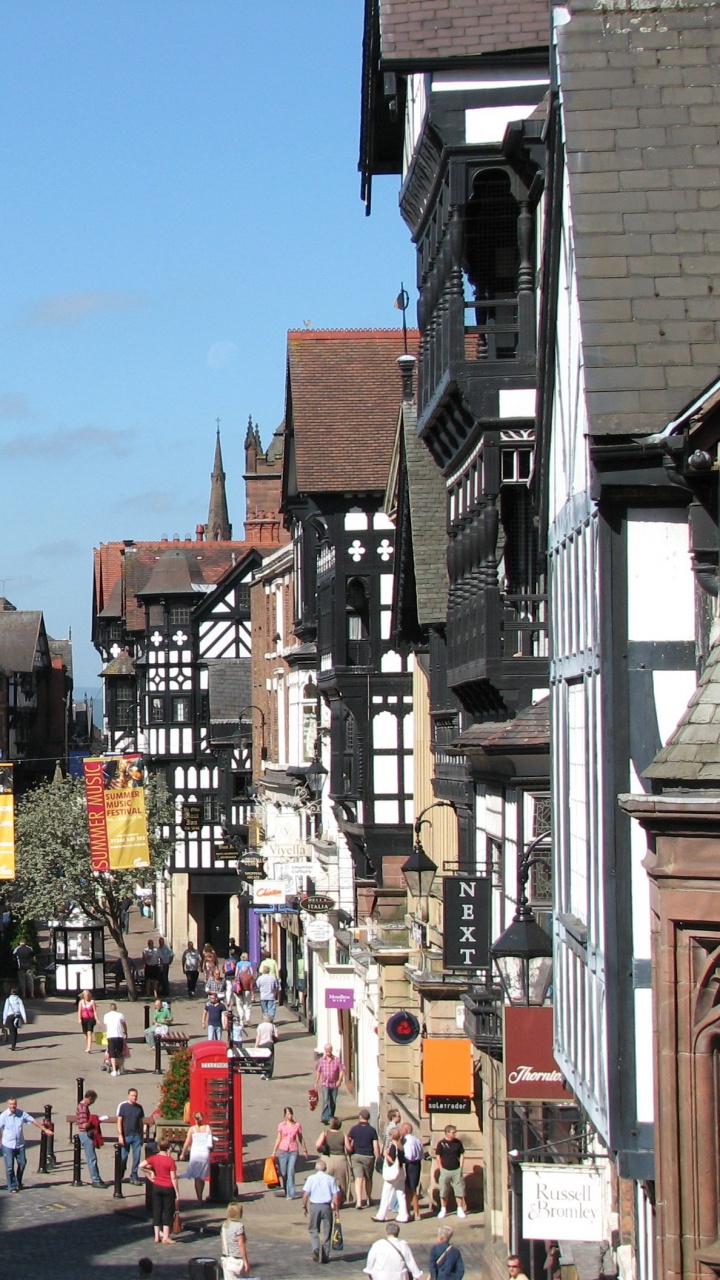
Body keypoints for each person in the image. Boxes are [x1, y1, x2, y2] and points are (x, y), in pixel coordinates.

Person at [0, 1097, 53, 1192]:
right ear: (8, 1105)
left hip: (20, 1144)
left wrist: (44, 1129)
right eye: (11, 1104)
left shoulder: (21, 1113)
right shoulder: (3, 1116)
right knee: (9, 1167)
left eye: (14, 1104)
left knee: (23, 1163)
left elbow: (33, 1121)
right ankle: (12, 1186)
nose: (13, 1106)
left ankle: (18, 1181)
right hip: (8, 1145)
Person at [139, 1139, 180, 1246]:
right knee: (167, 1211)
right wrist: (177, 1193)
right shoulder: (170, 1161)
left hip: (157, 1186)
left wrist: (150, 1173)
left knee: (157, 1211)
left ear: (158, 1148)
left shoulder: (154, 1158)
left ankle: (157, 1236)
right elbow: (173, 1178)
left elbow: (141, 1165)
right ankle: (166, 1237)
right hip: (168, 1188)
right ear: (168, 1148)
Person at [302, 1158, 341, 1264]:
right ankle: (325, 1256)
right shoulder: (330, 1179)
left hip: (314, 1206)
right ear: (325, 1168)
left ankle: (316, 1248)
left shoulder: (311, 1178)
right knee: (327, 1231)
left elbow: (305, 1195)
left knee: (313, 1229)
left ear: (315, 1168)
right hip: (327, 1207)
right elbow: (336, 1195)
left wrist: (304, 1206)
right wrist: (336, 1209)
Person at [271, 1105, 309, 1200]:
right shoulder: (281, 1125)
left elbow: (300, 1138)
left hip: (293, 1150)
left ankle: (290, 1194)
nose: (290, 1116)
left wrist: (305, 1150)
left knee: (290, 1171)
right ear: (285, 1115)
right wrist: (274, 1151)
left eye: (291, 1113)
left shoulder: (297, 1125)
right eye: (288, 1114)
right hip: (283, 1150)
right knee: (283, 1172)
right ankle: (286, 1190)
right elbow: (278, 1138)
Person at [346, 1107, 380, 1210]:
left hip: (356, 1155)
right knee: (368, 1178)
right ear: (368, 1118)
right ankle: (369, 1198)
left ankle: (359, 1201)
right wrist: (378, 1157)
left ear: (360, 1117)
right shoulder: (372, 1130)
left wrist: (349, 1150)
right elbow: (375, 1145)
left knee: (358, 1178)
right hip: (368, 1156)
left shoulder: (354, 1129)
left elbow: (348, 1140)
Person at [373, 1126, 408, 1223]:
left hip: (393, 1174)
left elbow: (392, 1160)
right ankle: (404, 1215)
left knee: (386, 1194)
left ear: (392, 1136)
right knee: (401, 1194)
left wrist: (385, 1154)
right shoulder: (401, 1146)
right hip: (401, 1171)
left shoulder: (393, 1146)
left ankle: (381, 1215)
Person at [179, 1110, 213, 1203]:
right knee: (202, 1176)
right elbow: (210, 1141)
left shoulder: (192, 1129)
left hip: (195, 1154)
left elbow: (187, 1143)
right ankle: (200, 1195)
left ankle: (199, 1198)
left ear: (194, 1119)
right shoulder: (208, 1128)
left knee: (196, 1177)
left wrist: (183, 1153)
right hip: (205, 1153)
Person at [76, 1089, 108, 1187]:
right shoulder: (82, 1108)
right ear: (89, 1098)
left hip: (85, 1134)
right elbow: (84, 1125)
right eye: (93, 1100)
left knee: (92, 1158)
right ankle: (95, 1179)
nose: (93, 1102)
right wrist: (94, 1119)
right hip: (85, 1134)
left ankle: (97, 1178)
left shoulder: (83, 1107)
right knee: (92, 1158)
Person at [317, 1116, 351, 1205]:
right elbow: (348, 1148)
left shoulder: (325, 1133)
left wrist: (322, 1148)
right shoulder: (343, 1134)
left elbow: (317, 1145)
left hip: (327, 1159)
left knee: (327, 1181)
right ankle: (338, 1201)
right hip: (340, 1159)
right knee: (341, 1182)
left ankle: (327, 1199)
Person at [435, 1125, 467, 1219]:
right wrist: (440, 1168)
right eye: (453, 1132)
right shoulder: (441, 1143)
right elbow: (438, 1156)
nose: (454, 1134)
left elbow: (462, 1154)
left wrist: (461, 1167)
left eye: (455, 1132)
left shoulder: (458, 1143)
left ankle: (460, 1208)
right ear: (447, 1132)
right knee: (444, 1190)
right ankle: (443, 1209)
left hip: (456, 1169)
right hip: (445, 1169)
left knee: (459, 1190)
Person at [117, 1088, 146, 1184]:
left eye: (136, 1095)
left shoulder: (139, 1108)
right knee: (123, 1157)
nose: (134, 1097)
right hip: (126, 1135)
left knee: (137, 1157)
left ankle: (134, 1176)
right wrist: (120, 1135)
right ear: (128, 1096)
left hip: (136, 1136)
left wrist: (142, 1136)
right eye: (133, 1095)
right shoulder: (123, 1107)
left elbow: (141, 1122)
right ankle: (120, 1174)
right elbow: (119, 1121)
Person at [315, 1043, 345, 1123]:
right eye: (327, 1050)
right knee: (325, 1099)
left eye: (329, 1050)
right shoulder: (321, 1060)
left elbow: (342, 1070)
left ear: (331, 1050)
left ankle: (331, 1115)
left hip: (334, 1084)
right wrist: (316, 1082)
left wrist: (339, 1080)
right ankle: (325, 1117)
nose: (328, 1051)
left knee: (333, 1101)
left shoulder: (337, 1060)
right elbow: (318, 1071)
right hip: (325, 1083)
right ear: (325, 1051)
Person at [220, 1201, 250, 1279]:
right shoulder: (239, 1226)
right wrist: (246, 1262)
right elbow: (241, 1244)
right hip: (236, 1261)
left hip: (226, 1260)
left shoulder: (225, 1225)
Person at [401, 1122, 424, 1221]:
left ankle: (416, 1213)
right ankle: (408, 1211)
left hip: (411, 1165)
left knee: (411, 1189)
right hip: (417, 1164)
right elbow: (422, 1153)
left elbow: (409, 1156)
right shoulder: (416, 1139)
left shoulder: (407, 1140)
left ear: (406, 1130)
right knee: (409, 1189)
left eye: (402, 1129)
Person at [104, 1001, 129, 1076]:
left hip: (111, 1036)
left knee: (112, 1054)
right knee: (119, 1053)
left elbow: (106, 1025)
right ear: (116, 1008)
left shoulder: (106, 1015)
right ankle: (120, 1069)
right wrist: (125, 1032)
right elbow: (124, 1024)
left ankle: (114, 1070)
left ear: (110, 1009)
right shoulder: (120, 1015)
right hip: (119, 1036)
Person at [253, 1014, 278, 1078]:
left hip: (262, 1044)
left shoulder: (260, 1026)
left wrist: (256, 1045)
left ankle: (263, 1072)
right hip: (270, 1043)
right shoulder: (272, 1025)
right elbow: (276, 1035)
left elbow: (258, 1036)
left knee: (262, 1059)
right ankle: (268, 1075)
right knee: (270, 1060)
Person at [2, 987, 27, 1051]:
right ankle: (14, 1044)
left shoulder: (8, 1000)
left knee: (10, 1030)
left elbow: (6, 1010)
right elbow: (22, 1009)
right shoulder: (19, 1000)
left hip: (9, 1016)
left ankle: (8, 1038)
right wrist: (24, 1018)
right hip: (17, 1016)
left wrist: (4, 1019)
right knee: (15, 1031)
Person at [232, 955, 255, 1023]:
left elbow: (236, 974)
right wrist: (253, 994)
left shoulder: (238, 964)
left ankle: (241, 1019)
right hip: (247, 990)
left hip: (239, 990)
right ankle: (247, 1017)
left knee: (239, 1004)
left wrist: (235, 981)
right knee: (247, 1004)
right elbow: (252, 973)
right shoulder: (249, 965)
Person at [78, 989, 99, 1053]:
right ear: (83, 996)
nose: (87, 996)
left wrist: (97, 1019)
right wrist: (79, 1019)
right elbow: (79, 1011)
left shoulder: (92, 1002)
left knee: (89, 1033)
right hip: (84, 1019)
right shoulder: (81, 1002)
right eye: (86, 995)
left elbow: (95, 1011)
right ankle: (87, 1045)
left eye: (88, 995)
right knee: (85, 1034)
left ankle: (89, 1047)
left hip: (91, 1019)